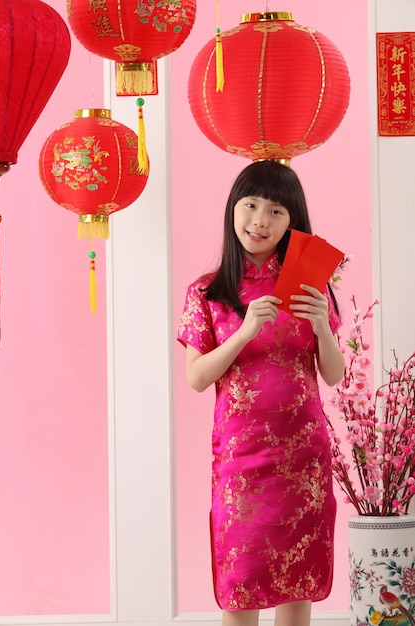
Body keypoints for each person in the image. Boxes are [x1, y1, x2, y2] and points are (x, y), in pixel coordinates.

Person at [177, 160, 345, 626]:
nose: (260, 221)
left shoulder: (310, 285)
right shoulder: (207, 292)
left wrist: (320, 327)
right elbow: (197, 377)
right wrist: (245, 330)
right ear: (233, 209)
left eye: (276, 211)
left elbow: (333, 374)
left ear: (293, 220)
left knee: (298, 585)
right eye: (250, 205)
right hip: (241, 460)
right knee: (241, 590)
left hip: (303, 459)